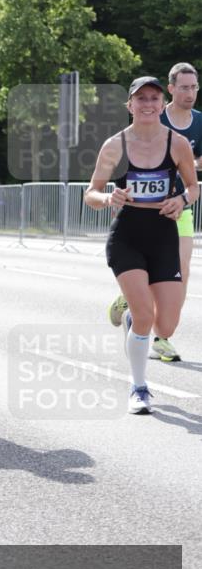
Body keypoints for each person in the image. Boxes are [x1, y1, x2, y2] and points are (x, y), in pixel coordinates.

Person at [85, 77, 198, 414]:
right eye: (141, 98)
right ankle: (139, 387)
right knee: (146, 315)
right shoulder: (114, 145)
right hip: (127, 237)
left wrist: (181, 200)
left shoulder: (177, 144)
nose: (147, 104)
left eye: (153, 98)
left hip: (164, 237)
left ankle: (132, 319)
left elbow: (194, 187)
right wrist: (108, 198)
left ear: (162, 104)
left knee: (166, 326)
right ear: (130, 105)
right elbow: (90, 193)